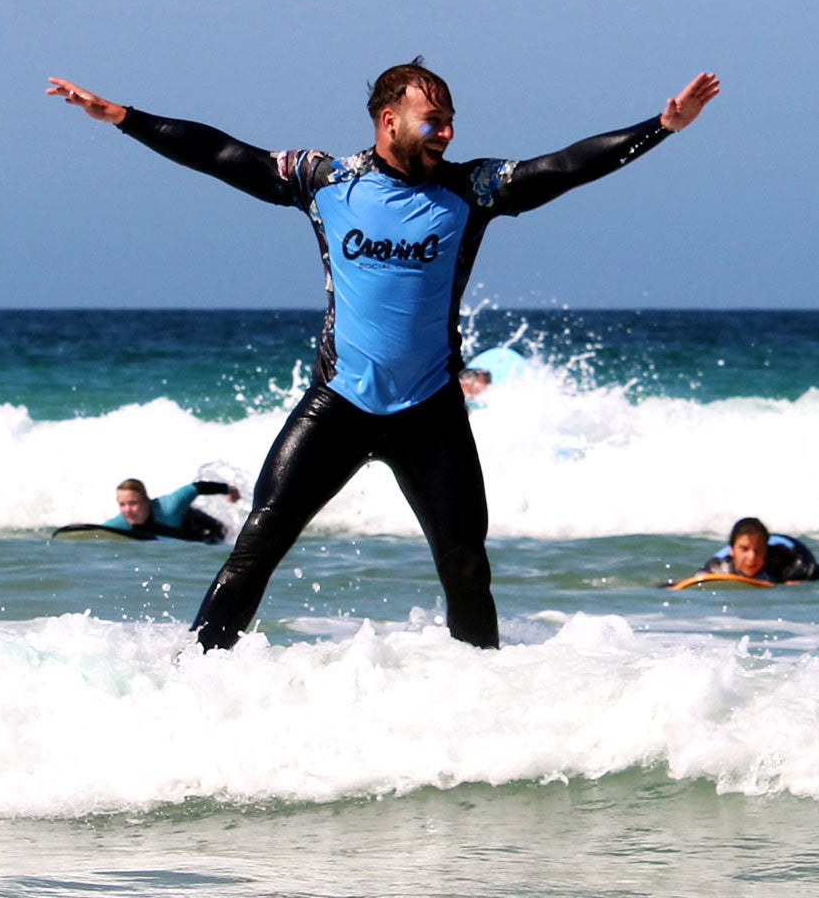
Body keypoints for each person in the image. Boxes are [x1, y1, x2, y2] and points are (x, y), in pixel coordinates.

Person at [48, 59, 719, 650]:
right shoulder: (322, 180)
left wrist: (660, 127)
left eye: (453, 119)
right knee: (255, 549)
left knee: (466, 569)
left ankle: (482, 699)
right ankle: (192, 682)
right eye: (435, 119)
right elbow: (222, 153)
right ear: (387, 118)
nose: (449, 131)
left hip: (431, 412)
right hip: (337, 406)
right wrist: (123, 117)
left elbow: (566, 166)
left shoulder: (471, 190)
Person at [699, 516, 819, 582]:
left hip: (795, 548)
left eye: (758, 550)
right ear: (732, 550)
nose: (752, 557)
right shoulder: (719, 565)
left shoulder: (788, 562)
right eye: (744, 549)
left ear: (766, 550)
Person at [103, 478, 241, 544]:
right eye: (122, 504)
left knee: (223, 538)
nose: (127, 510)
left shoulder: (169, 506)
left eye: (133, 503)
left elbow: (197, 487)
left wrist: (230, 490)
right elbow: (96, 531)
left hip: (199, 524)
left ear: (146, 500)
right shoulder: (122, 521)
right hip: (178, 537)